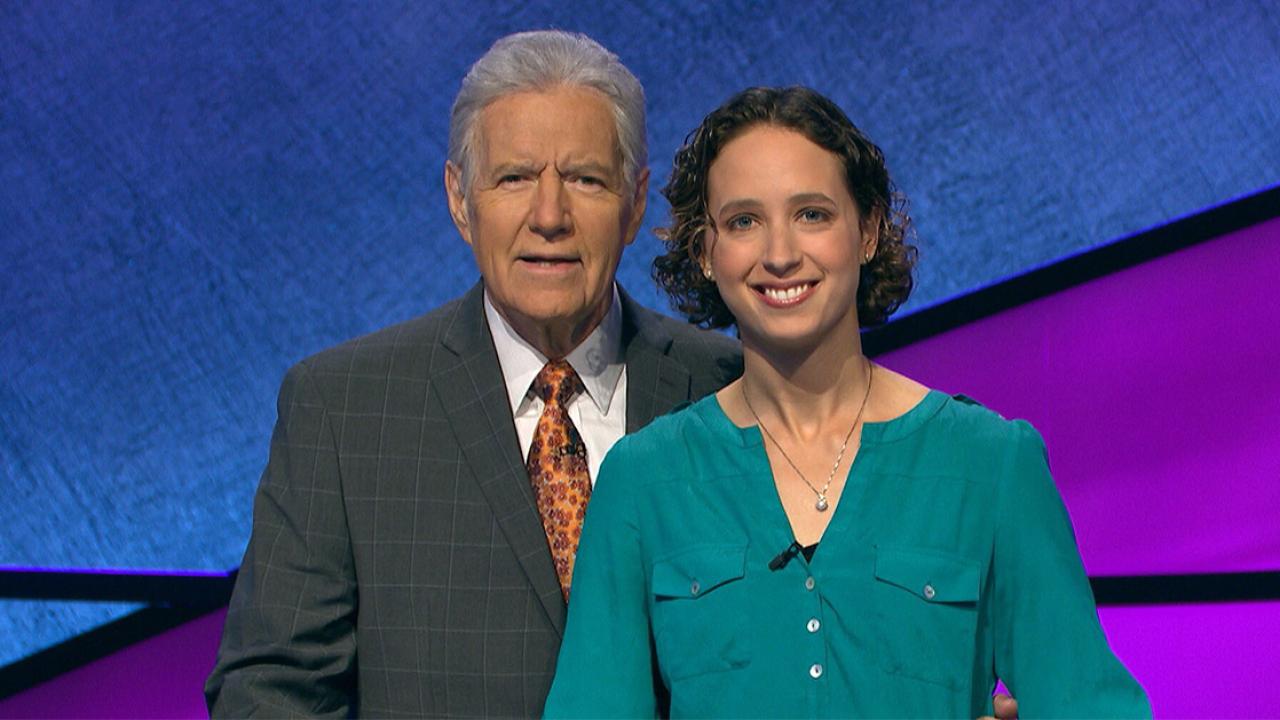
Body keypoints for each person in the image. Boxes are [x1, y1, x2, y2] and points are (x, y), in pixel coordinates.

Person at [544, 87, 1151, 718]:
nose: (780, 255)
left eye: (812, 214)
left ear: (867, 231)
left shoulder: (992, 464)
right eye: (744, 222)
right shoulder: (644, 482)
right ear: (706, 252)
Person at [204, 30, 740, 717]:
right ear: (461, 200)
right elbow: (268, 690)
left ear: (635, 202)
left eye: (585, 179)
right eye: (514, 178)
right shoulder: (344, 411)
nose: (550, 217)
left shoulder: (728, 389)